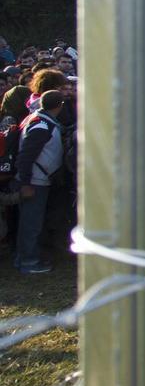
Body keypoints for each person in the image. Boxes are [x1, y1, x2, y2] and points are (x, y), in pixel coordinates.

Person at [11, 90, 66, 273]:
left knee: (30, 223)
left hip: (36, 180)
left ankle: (24, 259)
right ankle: (29, 262)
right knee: (31, 224)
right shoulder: (42, 125)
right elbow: (26, 156)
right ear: (60, 106)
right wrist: (25, 183)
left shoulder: (38, 119)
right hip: (35, 182)